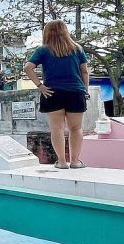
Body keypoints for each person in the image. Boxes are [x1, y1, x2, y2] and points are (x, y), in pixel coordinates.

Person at [23, 20, 90, 169]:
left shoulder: (43, 50)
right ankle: (75, 161)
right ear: (65, 31)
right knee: (76, 128)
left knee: (56, 129)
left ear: (47, 32)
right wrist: (85, 90)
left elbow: (28, 68)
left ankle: (61, 162)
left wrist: (40, 86)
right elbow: (84, 71)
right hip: (75, 92)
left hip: (52, 93)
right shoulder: (77, 49)